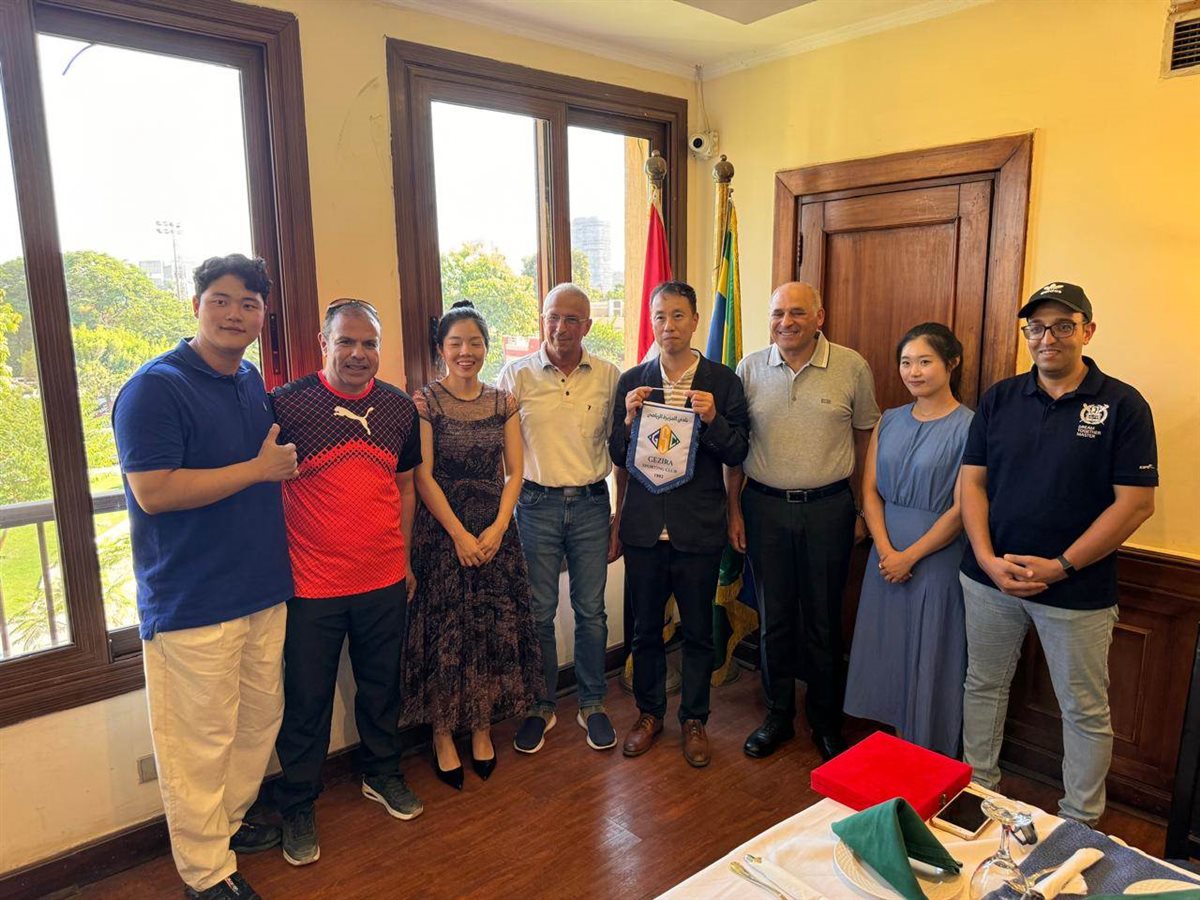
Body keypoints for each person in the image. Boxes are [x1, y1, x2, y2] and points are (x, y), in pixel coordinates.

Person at [112, 254, 295, 900]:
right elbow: (155, 491)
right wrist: (258, 471)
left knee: (256, 724)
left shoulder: (248, 379)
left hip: (261, 588)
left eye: (248, 303)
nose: (234, 313)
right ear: (195, 306)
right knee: (199, 743)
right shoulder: (153, 389)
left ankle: (227, 825)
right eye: (220, 299)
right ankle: (205, 871)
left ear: (263, 316)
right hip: (191, 601)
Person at [960, 281, 1157, 825]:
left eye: (1063, 326)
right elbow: (971, 483)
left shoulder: (1123, 405)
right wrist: (986, 558)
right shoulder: (1000, 398)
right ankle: (978, 791)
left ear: (1087, 331)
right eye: (1037, 327)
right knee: (983, 686)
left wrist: (1062, 565)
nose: (1048, 338)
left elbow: (1136, 504)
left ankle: (1080, 821)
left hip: (1077, 589)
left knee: (1084, 708)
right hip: (990, 579)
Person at [268, 298, 423, 867]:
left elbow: (404, 487)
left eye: (369, 343)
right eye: (347, 342)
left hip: (383, 578)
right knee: (306, 701)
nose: (359, 353)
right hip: (311, 585)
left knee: (381, 688)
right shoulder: (285, 405)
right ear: (323, 343)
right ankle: (297, 803)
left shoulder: (398, 408)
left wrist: (404, 560)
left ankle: (382, 773)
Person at [728, 281, 880, 762]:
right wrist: (734, 509)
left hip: (828, 509)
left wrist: (862, 508)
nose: (786, 322)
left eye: (797, 312)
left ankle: (826, 722)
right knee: (773, 620)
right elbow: (735, 448)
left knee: (823, 620)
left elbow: (866, 440)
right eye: (777, 313)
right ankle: (777, 716)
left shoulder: (852, 367)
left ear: (819, 317)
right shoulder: (749, 368)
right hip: (764, 507)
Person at [402, 301, 543, 789]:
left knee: (486, 629)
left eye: (475, 343)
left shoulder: (503, 401)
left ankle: (482, 727)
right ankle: (442, 734)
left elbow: (515, 471)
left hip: (494, 533)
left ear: (486, 347)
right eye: (456, 343)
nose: (466, 352)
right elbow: (422, 475)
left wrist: (500, 527)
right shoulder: (425, 402)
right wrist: (459, 535)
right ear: (441, 349)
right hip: (443, 535)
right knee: (446, 632)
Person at [610, 280, 749, 768]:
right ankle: (649, 714)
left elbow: (739, 451)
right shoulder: (634, 381)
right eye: (659, 316)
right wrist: (628, 422)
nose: (668, 325)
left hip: (699, 529)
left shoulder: (723, 381)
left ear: (694, 320)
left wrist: (714, 421)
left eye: (677, 315)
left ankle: (694, 719)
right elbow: (616, 455)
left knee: (698, 633)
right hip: (645, 530)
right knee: (645, 630)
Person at [498, 283, 621, 754]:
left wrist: (619, 516)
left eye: (572, 319)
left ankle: (592, 703)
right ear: (542, 320)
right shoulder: (516, 376)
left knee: (591, 611)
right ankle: (540, 704)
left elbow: (621, 450)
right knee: (538, 611)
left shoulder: (609, 376)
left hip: (591, 504)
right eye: (553, 316)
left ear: (587, 326)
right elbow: (499, 447)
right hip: (535, 506)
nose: (561, 327)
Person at [843, 323, 973, 757]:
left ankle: (929, 754)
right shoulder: (890, 419)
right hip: (885, 557)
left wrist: (909, 556)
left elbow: (962, 509)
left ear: (951, 363)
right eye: (906, 362)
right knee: (889, 649)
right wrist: (885, 550)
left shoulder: (971, 426)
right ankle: (894, 744)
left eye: (924, 361)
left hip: (935, 559)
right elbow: (870, 491)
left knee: (931, 651)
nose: (913, 372)